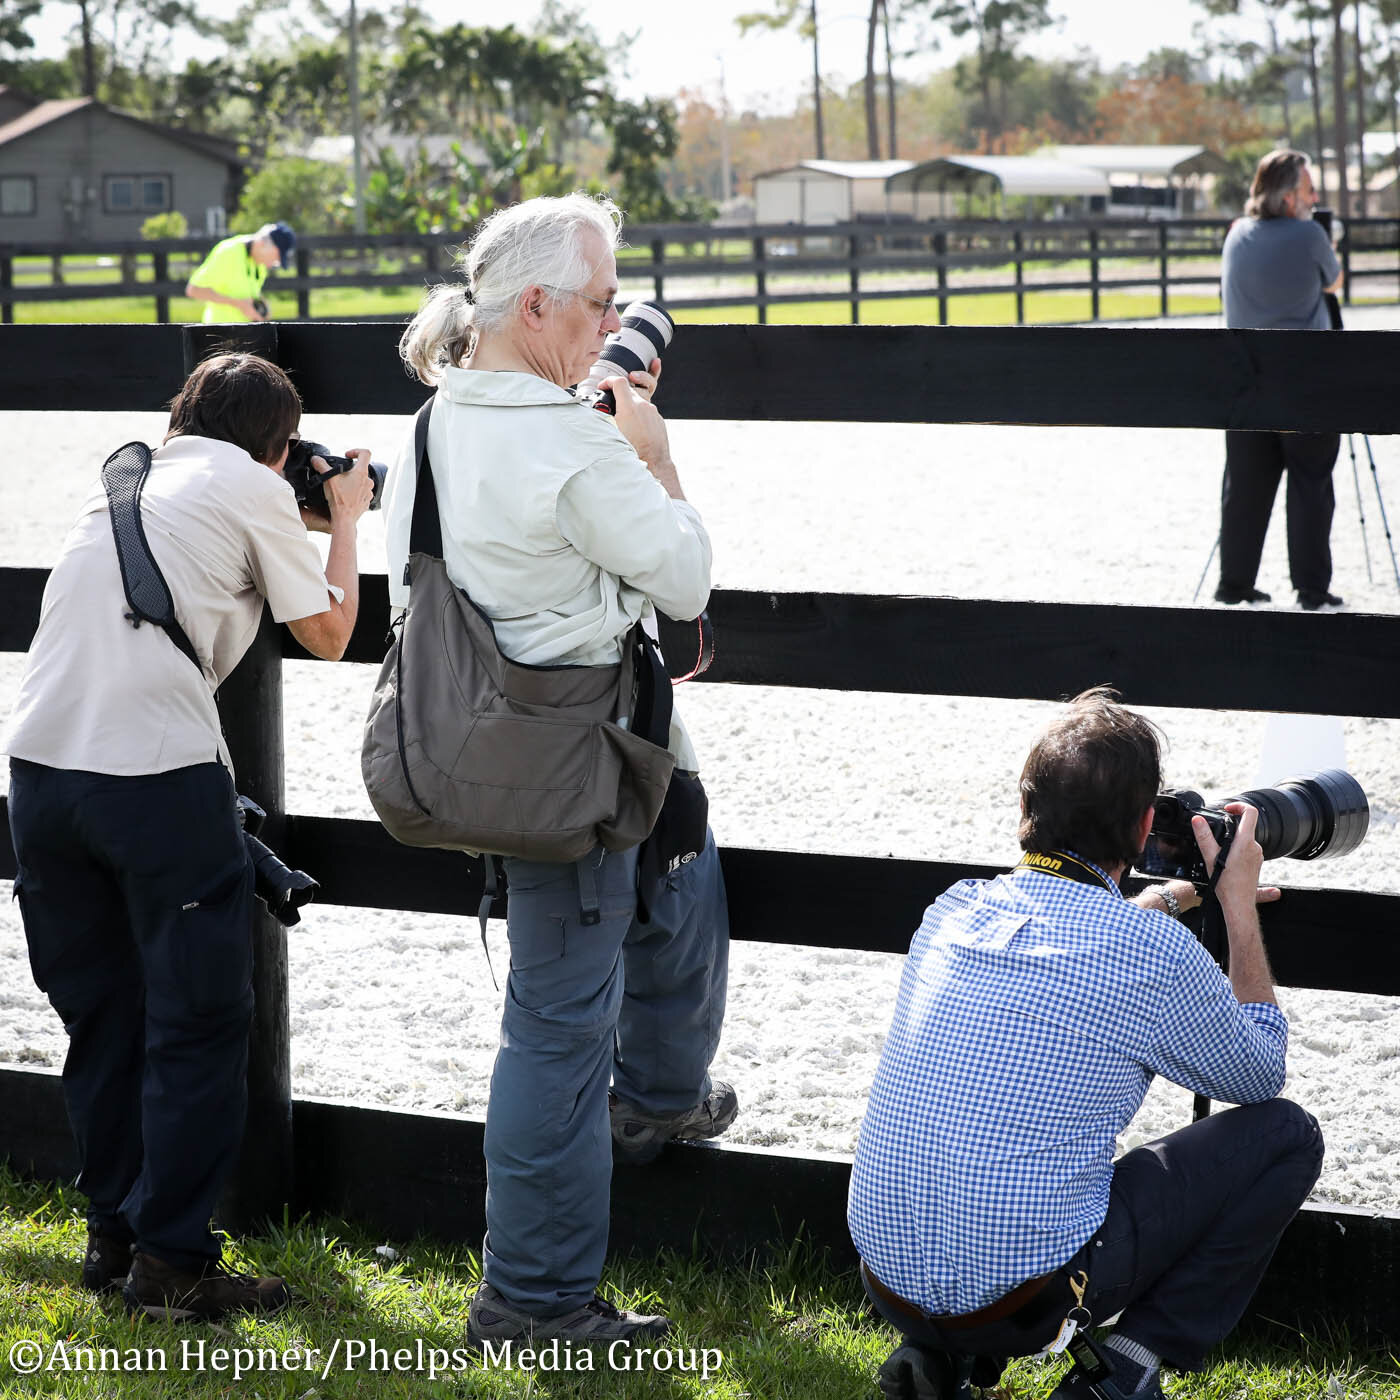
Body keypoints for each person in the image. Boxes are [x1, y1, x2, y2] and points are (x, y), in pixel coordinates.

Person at [384, 192, 735, 1348]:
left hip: (475, 743)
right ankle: (531, 1299)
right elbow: (682, 577)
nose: (609, 322)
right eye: (596, 301)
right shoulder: (571, 438)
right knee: (553, 1028)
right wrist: (654, 454)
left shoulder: (431, 424)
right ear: (533, 304)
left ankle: (654, 1097)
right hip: (575, 763)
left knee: (665, 884)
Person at [5, 352, 374, 1321]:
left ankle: (112, 1235)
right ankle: (171, 1262)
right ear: (279, 443)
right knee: (199, 1024)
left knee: (104, 1015)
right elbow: (330, 629)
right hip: (155, 782)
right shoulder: (253, 484)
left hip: (40, 778)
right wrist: (344, 521)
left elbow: (208, 552)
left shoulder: (134, 480)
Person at [848, 687, 1323, 1400]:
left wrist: (1166, 897)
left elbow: (1073, 934)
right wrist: (1234, 905)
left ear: (1024, 811)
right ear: (1141, 829)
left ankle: (935, 1355)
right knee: (1288, 1135)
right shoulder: (1148, 954)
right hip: (1024, 1304)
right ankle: (1128, 1363)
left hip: (886, 1282)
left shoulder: (952, 909)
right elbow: (1259, 1074)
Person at [1215, 150, 1344, 612]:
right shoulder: (1310, 234)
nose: (1314, 198)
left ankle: (1234, 583)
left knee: (1246, 487)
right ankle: (1311, 589)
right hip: (1304, 385)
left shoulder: (1236, 234)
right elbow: (1333, 282)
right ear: (1290, 198)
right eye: (1309, 189)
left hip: (1244, 386)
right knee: (1310, 484)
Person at [185, 221, 295, 324]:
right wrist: (239, 304)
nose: (273, 264)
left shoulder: (260, 264)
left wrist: (261, 305)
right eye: (275, 258)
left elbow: (246, 292)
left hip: (245, 335)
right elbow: (193, 290)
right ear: (262, 244)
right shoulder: (228, 252)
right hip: (218, 334)